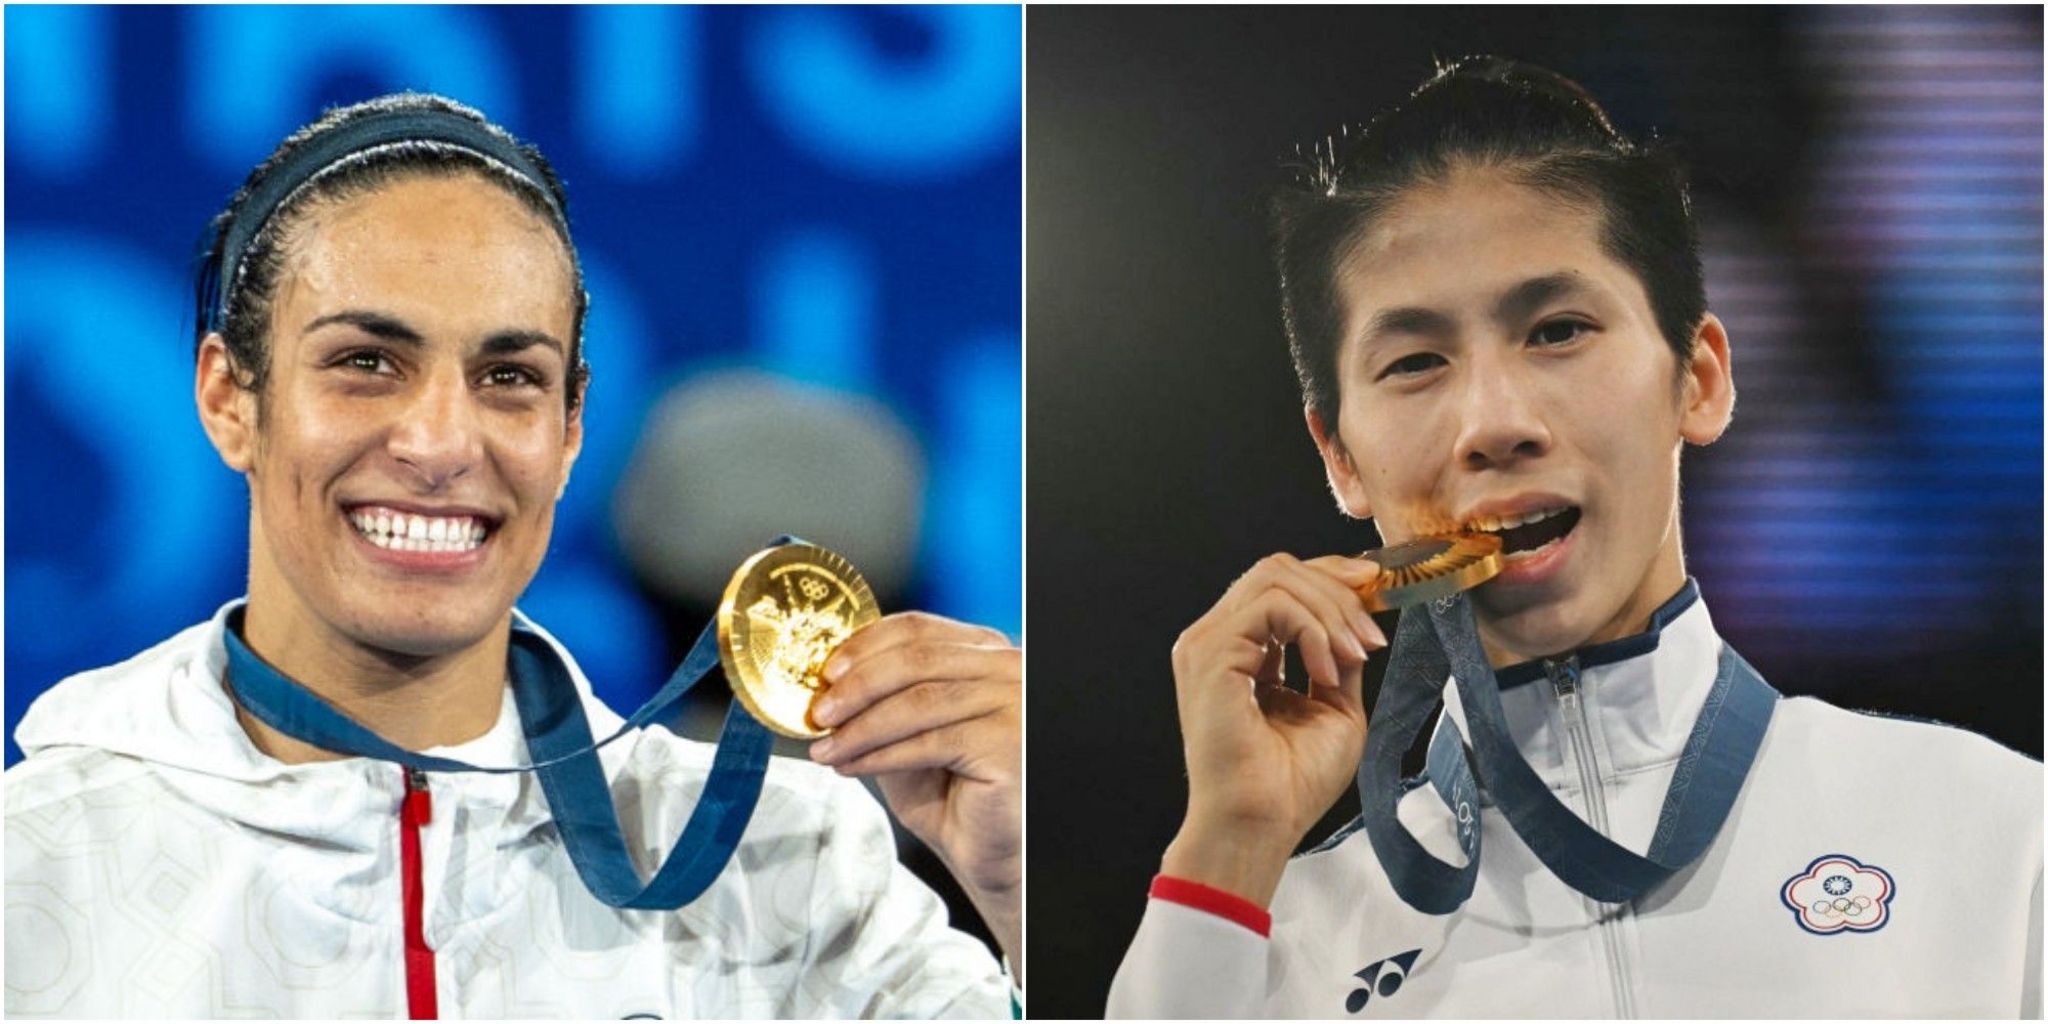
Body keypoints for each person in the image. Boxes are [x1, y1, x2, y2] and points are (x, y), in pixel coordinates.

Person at [5, 93, 1022, 1019]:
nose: (442, 444)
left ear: (571, 427)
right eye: (366, 363)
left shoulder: (792, 870)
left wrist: (1018, 889)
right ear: (231, 398)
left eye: (507, 376)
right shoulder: (30, 870)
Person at [1108, 57, 2040, 1018]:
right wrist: (1228, 844)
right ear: (1340, 456)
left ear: (1700, 378)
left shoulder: (1994, 836)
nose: (1493, 421)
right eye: (1417, 360)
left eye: (1556, 331)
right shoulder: (1269, 946)